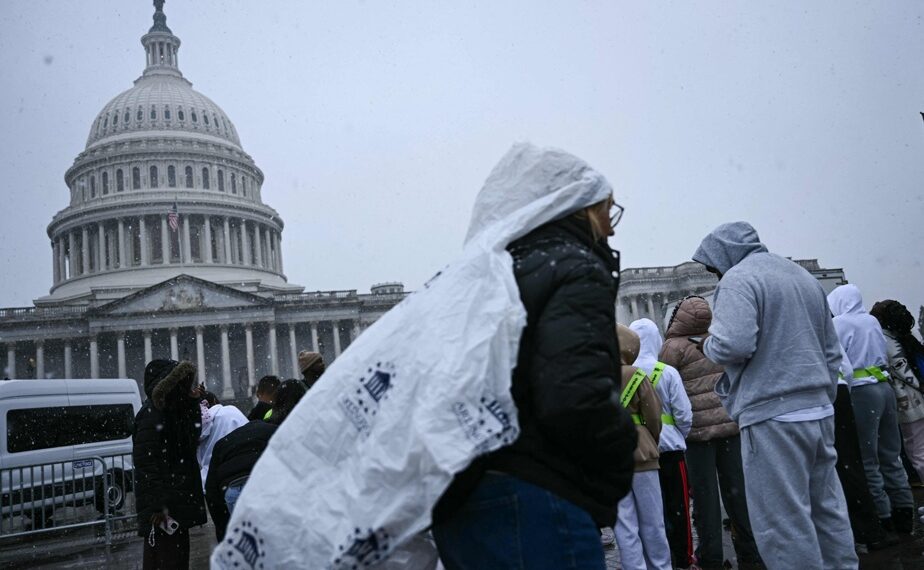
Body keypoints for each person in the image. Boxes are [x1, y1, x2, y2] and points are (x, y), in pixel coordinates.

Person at [431, 146, 637, 570]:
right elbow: (575, 398)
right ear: (576, 209)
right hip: (541, 493)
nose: (611, 231)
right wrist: (619, 456)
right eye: (607, 212)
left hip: (462, 497)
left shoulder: (478, 276)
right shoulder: (575, 267)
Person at [692, 221, 857, 569]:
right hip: (817, 409)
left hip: (771, 413)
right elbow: (831, 350)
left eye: (713, 266)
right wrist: (821, 395)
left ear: (723, 255)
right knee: (828, 510)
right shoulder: (801, 277)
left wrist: (707, 345)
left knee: (782, 520)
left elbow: (734, 344)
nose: (715, 273)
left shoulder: (738, 279)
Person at [659, 295, 762, 569]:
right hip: (729, 426)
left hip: (697, 435)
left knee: (705, 498)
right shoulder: (716, 341)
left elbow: (667, 392)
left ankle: (711, 557)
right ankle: (750, 553)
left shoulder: (672, 348)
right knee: (738, 494)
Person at [829, 285, 915, 534]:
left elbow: (840, 362)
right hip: (885, 388)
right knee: (891, 454)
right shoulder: (871, 321)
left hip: (862, 391)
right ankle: (905, 511)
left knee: (867, 457)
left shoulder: (839, 324)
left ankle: (883, 516)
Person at [205, 380, 307, 540]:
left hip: (232, 488)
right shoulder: (283, 431)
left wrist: (224, 535)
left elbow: (211, 491)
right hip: (262, 483)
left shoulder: (226, 442)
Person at [629, 318, 694, 569]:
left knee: (649, 515)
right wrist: (678, 436)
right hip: (670, 451)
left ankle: (654, 560)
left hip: (641, 454)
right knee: (679, 509)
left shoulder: (626, 374)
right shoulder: (667, 372)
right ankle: (683, 559)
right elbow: (684, 414)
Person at [132, 360, 208, 570]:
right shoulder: (151, 414)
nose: (185, 387)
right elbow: (146, 464)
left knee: (176, 559)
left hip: (175, 502)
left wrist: (193, 403)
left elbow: (191, 437)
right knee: (166, 560)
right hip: (164, 508)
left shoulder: (171, 411)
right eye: (181, 383)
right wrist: (157, 506)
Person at [614, 324, 670, 570]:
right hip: (643, 453)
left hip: (612, 457)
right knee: (653, 522)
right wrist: (650, 440)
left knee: (625, 526)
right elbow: (654, 416)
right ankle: (661, 565)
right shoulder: (636, 375)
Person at [831, 345, 895, 550]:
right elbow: (847, 368)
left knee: (836, 468)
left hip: (821, 396)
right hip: (844, 388)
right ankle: (876, 528)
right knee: (856, 462)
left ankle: (857, 533)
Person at [871, 299, 924, 483]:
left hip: (911, 404)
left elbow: (903, 372)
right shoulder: (907, 337)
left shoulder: (885, 341)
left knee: (918, 453)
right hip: (918, 401)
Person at [197, 392, 247, 491]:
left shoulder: (200, 426)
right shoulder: (231, 411)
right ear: (215, 401)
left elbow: (207, 463)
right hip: (250, 471)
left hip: (223, 481)